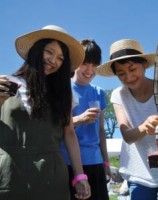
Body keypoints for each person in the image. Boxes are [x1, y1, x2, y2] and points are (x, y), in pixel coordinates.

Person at [0, 25, 90, 200]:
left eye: (60, 58)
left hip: (52, 176)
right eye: (49, 52)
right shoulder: (6, 83)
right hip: (9, 174)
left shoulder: (63, 94)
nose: (53, 60)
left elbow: (70, 134)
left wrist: (80, 176)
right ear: (36, 51)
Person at [96, 39, 158, 200]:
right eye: (121, 73)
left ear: (144, 65)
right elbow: (127, 135)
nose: (129, 77)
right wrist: (144, 127)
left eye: (132, 69)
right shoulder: (119, 95)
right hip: (139, 174)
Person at [60, 39, 110, 200]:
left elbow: (101, 131)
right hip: (69, 164)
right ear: (75, 63)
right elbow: (55, 126)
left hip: (95, 161)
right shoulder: (62, 88)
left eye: (94, 65)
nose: (90, 70)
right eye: (85, 64)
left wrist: (106, 163)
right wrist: (79, 119)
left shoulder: (99, 92)